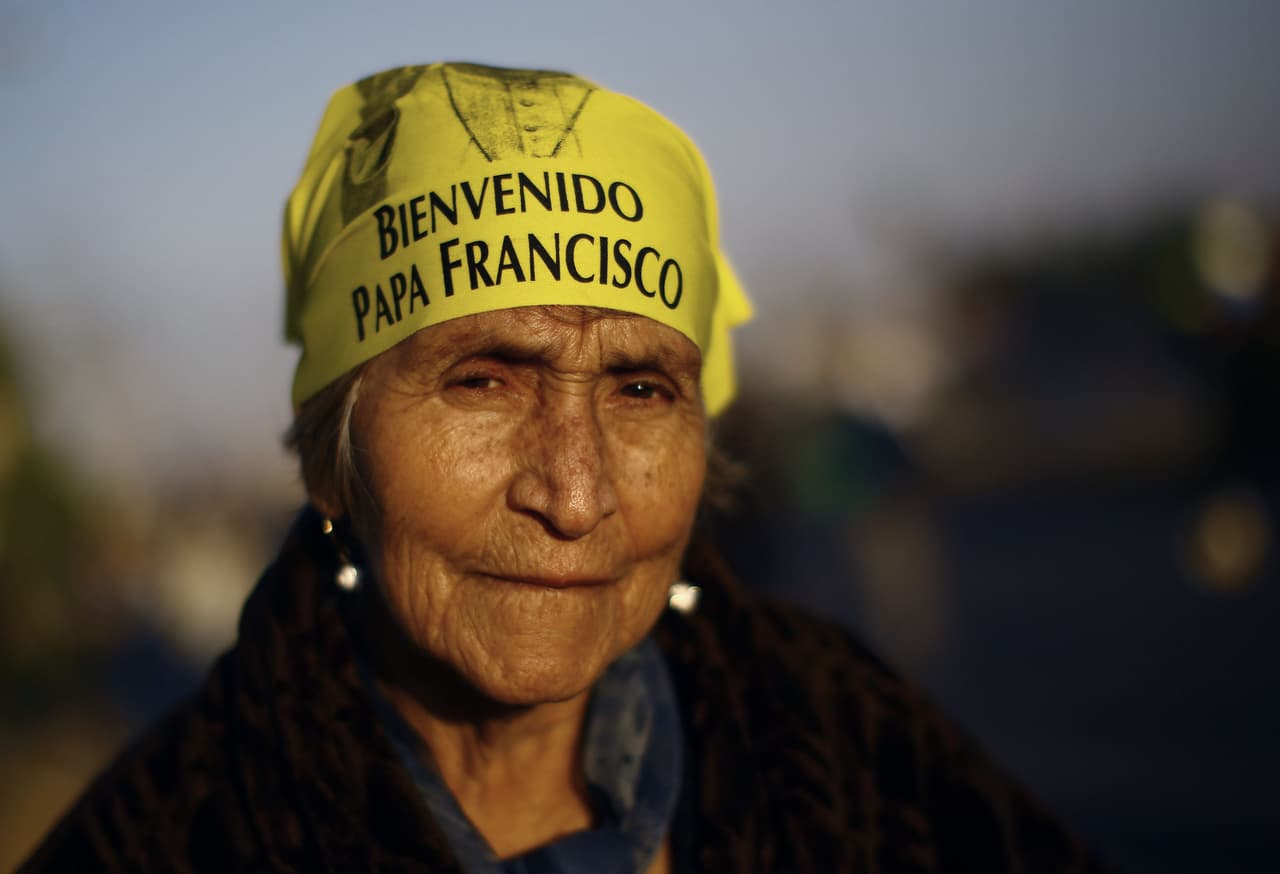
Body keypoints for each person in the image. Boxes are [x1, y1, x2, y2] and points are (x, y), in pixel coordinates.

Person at [22, 62, 1106, 873]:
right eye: (483, 380)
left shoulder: (850, 745)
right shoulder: (167, 837)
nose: (577, 493)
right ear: (332, 456)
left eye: (640, 390)